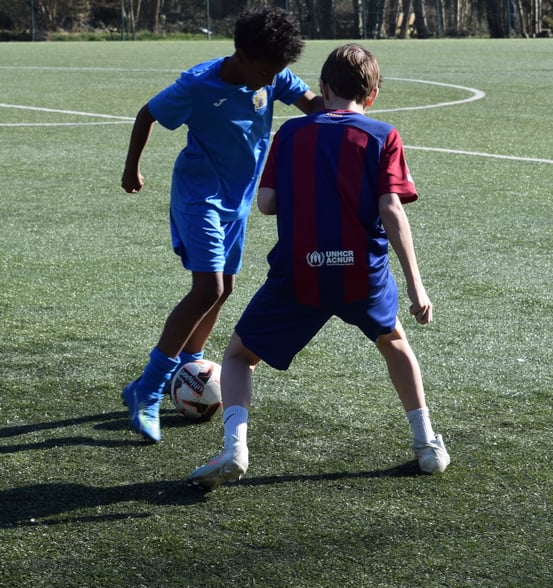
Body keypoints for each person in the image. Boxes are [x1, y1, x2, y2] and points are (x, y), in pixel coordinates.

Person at [186, 43, 450, 491]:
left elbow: (266, 204)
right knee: (395, 345)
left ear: (322, 88)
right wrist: (416, 287)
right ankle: (426, 444)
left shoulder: (291, 134)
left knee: (237, 356)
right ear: (374, 93)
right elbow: (392, 209)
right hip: (361, 272)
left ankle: (235, 447)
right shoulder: (382, 135)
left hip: (299, 272)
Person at [120, 6, 324, 443]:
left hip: (239, 202)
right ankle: (147, 389)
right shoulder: (198, 85)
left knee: (225, 288)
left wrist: (346, 115)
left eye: (278, 73)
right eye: (266, 71)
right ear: (243, 54)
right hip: (200, 197)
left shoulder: (272, 75)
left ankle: (188, 363)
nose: (271, 82)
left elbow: (313, 106)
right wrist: (131, 169)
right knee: (208, 288)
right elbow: (147, 114)